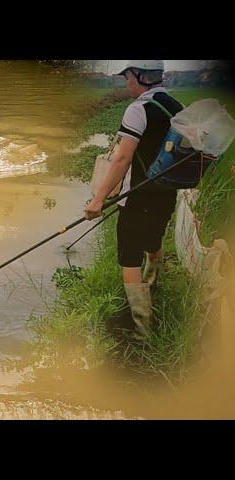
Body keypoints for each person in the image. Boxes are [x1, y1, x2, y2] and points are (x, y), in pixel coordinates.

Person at [84, 60, 184, 335]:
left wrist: (97, 200)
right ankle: (152, 285)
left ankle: (142, 327)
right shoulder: (176, 106)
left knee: (129, 258)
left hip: (138, 197)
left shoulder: (138, 109)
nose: (126, 82)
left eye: (128, 76)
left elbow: (122, 158)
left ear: (141, 77)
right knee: (153, 240)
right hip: (166, 192)